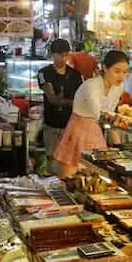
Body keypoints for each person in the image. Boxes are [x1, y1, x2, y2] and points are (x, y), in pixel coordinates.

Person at [53, 50, 129, 178]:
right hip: (78, 130)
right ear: (105, 68)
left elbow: (110, 114)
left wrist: (118, 146)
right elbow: (99, 114)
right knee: (69, 179)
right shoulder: (91, 85)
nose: (121, 77)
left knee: (97, 180)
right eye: (117, 71)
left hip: (96, 132)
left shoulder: (118, 88)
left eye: (125, 72)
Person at [37, 39, 83, 169]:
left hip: (70, 125)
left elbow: (80, 97)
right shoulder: (44, 73)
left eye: (66, 55)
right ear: (52, 54)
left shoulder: (75, 75)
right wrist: (74, 103)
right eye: (60, 55)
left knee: (68, 160)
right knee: (52, 158)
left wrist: (67, 102)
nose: (63, 59)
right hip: (51, 124)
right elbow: (52, 99)